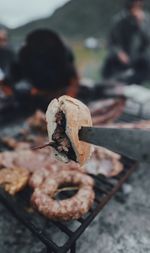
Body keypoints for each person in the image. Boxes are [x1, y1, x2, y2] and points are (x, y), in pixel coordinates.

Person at [102, 0, 150, 84]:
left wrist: (140, 24)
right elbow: (111, 42)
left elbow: (147, 41)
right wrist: (119, 53)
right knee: (109, 62)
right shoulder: (119, 20)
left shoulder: (146, 20)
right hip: (121, 58)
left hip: (140, 58)